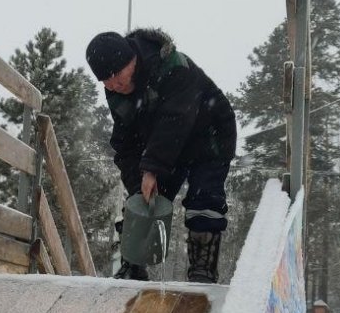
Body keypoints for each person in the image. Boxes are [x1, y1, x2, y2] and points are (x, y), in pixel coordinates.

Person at [85, 28, 237, 283]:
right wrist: (138, 183)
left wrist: (152, 168)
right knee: (142, 200)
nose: (113, 85)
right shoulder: (117, 91)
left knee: (204, 198)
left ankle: (202, 270)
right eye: (105, 81)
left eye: (116, 76)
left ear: (131, 59)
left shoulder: (174, 67)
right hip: (165, 144)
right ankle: (134, 266)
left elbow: (175, 120)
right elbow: (126, 143)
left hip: (209, 133)